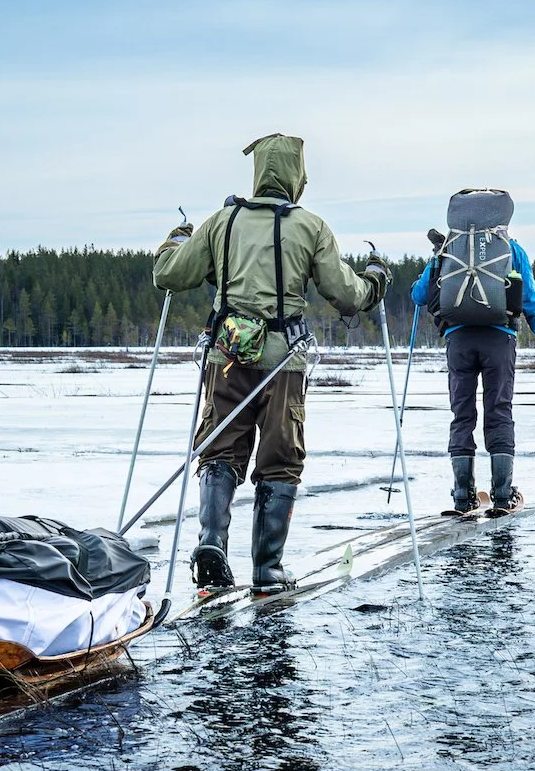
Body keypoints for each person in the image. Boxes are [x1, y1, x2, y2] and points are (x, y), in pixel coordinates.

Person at [153, 133, 390, 594]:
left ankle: (212, 543)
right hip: (285, 363)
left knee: (220, 450)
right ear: (297, 176)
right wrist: (375, 281)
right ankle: (268, 570)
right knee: (280, 459)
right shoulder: (312, 227)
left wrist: (176, 239)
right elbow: (345, 292)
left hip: (226, 358)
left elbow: (169, 274)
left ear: (259, 171)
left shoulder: (221, 221)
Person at [410, 189, 535, 514]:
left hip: (458, 339)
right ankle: (502, 495)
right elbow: (530, 300)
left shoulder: (447, 249)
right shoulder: (512, 249)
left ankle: (463, 498)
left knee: (462, 415)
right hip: (499, 339)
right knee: (499, 412)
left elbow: (420, 295)